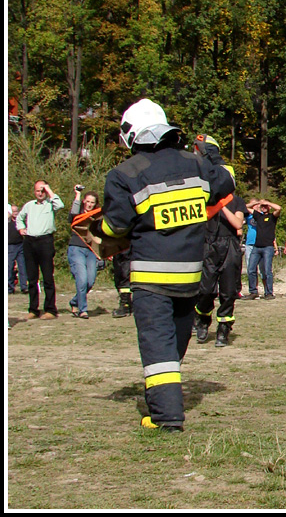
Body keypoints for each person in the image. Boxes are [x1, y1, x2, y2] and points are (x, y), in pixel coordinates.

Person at [99, 99, 234, 432]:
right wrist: (212, 155)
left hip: (151, 279)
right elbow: (227, 183)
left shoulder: (124, 174)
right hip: (190, 277)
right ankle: (163, 396)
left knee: (158, 347)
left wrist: (97, 229)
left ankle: (167, 418)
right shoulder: (197, 165)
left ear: (133, 135)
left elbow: (115, 226)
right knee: (173, 344)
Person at [192, 135, 246, 347]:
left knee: (228, 291)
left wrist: (223, 206)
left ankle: (223, 329)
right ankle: (203, 320)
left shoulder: (236, 201)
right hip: (208, 245)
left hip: (229, 246)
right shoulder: (204, 199)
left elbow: (238, 225)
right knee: (205, 290)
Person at [17, 180, 65, 320]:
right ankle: (33, 309)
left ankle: (50, 309)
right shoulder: (29, 205)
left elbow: (60, 205)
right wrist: (21, 228)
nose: (40, 193)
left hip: (45, 241)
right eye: (38, 190)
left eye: (42, 190)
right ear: (34, 191)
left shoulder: (50, 204)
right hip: (30, 241)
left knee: (48, 277)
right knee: (32, 278)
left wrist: (49, 189)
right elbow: (19, 218)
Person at [67, 187, 100, 319]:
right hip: (76, 248)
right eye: (87, 201)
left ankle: (75, 301)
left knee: (90, 280)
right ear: (83, 201)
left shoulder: (97, 217)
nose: (89, 204)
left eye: (92, 202)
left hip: (91, 250)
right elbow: (72, 215)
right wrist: (78, 194)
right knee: (82, 279)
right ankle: (83, 310)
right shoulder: (78, 214)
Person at [246, 198, 281, 300]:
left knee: (267, 271)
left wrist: (268, 202)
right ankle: (253, 292)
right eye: (263, 206)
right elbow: (246, 207)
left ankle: (269, 292)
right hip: (257, 247)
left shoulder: (272, 217)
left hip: (268, 247)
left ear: (269, 207)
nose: (264, 207)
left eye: (266, 206)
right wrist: (258, 203)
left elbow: (279, 208)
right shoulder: (258, 216)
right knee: (251, 269)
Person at [8, 205, 29, 295]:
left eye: (17, 211)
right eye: (14, 211)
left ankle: (24, 287)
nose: (15, 213)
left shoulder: (21, 222)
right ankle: (9, 287)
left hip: (21, 245)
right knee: (9, 267)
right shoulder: (8, 222)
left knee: (22, 266)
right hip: (10, 246)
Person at [111, 248, 133, 318]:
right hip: (117, 250)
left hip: (128, 250)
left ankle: (125, 305)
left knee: (125, 276)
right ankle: (128, 304)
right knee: (118, 278)